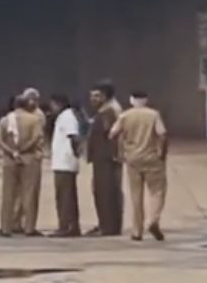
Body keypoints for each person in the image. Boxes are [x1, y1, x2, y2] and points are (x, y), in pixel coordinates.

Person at [109, 90, 169, 241]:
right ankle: (153, 220)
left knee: (136, 196)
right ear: (146, 100)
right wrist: (161, 154)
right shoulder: (153, 115)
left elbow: (112, 134)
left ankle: (137, 231)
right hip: (152, 158)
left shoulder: (125, 115)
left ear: (131, 100)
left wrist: (120, 151)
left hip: (132, 159)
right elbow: (162, 135)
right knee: (157, 192)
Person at [0, 91, 45, 237]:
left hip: (9, 160)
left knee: (8, 194)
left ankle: (6, 227)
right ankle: (29, 228)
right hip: (29, 159)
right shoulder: (34, 119)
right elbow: (36, 138)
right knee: (29, 194)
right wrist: (23, 150)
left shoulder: (5, 120)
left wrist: (12, 152)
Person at [86, 82, 124, 236]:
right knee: (106, 192)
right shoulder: (108, 110)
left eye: (96, 96)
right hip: (104, 158)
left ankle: (107, 227)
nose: (93, 99)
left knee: (105, 192)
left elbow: (111, 135)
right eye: (92, 96)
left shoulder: (108, 112)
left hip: (106, 159)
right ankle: (108, 225)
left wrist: (113, 154)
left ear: (105, 96)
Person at [49, 93, 83, 237]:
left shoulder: (67, 117)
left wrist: (75, 155)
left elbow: (74, 137)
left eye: (53, 104)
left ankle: (67, 226)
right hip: (62, 162)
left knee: (65, 197)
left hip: (65, 163)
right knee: (65, 196)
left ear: (59, 103)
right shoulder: (64, 116)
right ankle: (71, 226)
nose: (52, 108)